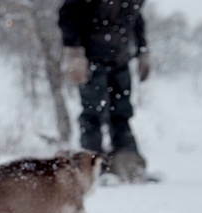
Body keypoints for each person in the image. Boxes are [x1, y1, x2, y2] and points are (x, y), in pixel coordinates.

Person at [58, 0, 151, 181]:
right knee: (93, 114)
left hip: (120, 59)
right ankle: (92, 169)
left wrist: (143, 50)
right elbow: (68, 14)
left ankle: (128, 167)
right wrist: (74, 51)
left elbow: (137, 19)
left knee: (122, 114)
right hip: (92, 59)